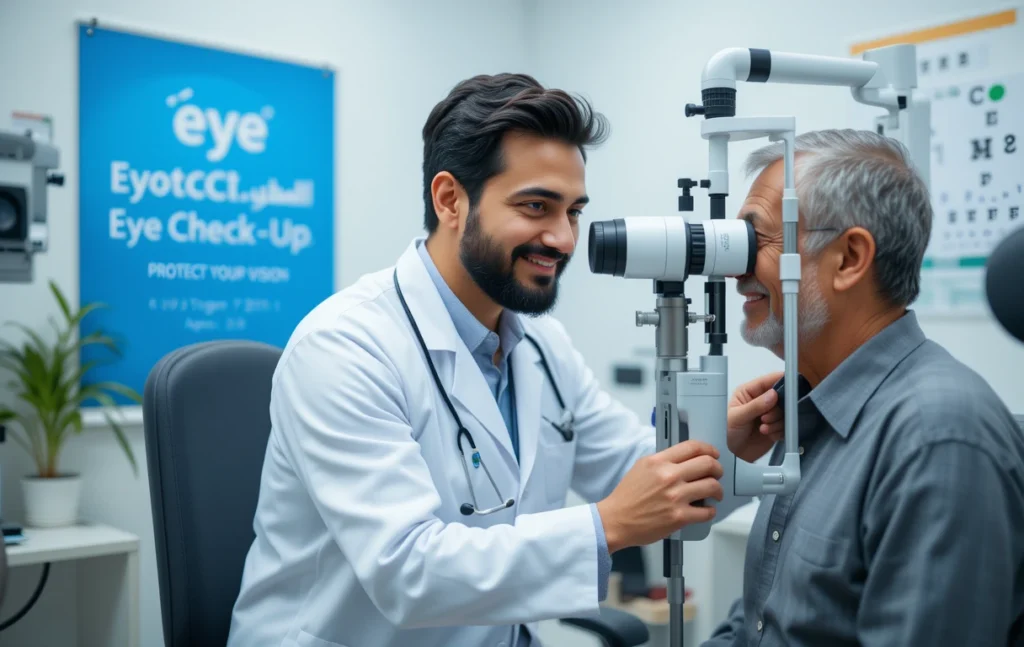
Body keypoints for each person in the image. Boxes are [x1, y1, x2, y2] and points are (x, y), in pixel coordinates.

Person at [227, 73, 728, 647]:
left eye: (573, 212)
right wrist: (609, 524)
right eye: (536, 206)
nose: (564, 239)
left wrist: (729, 441)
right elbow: (406, 571)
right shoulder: (344, 347)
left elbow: (638, 471)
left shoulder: (543, 347)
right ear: (450, 201)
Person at [704, 129, 1024, 646]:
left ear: (850, 258)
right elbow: (758, 626)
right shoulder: (805, 414)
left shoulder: (936, 437)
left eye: (756, 238)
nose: (733, 271)